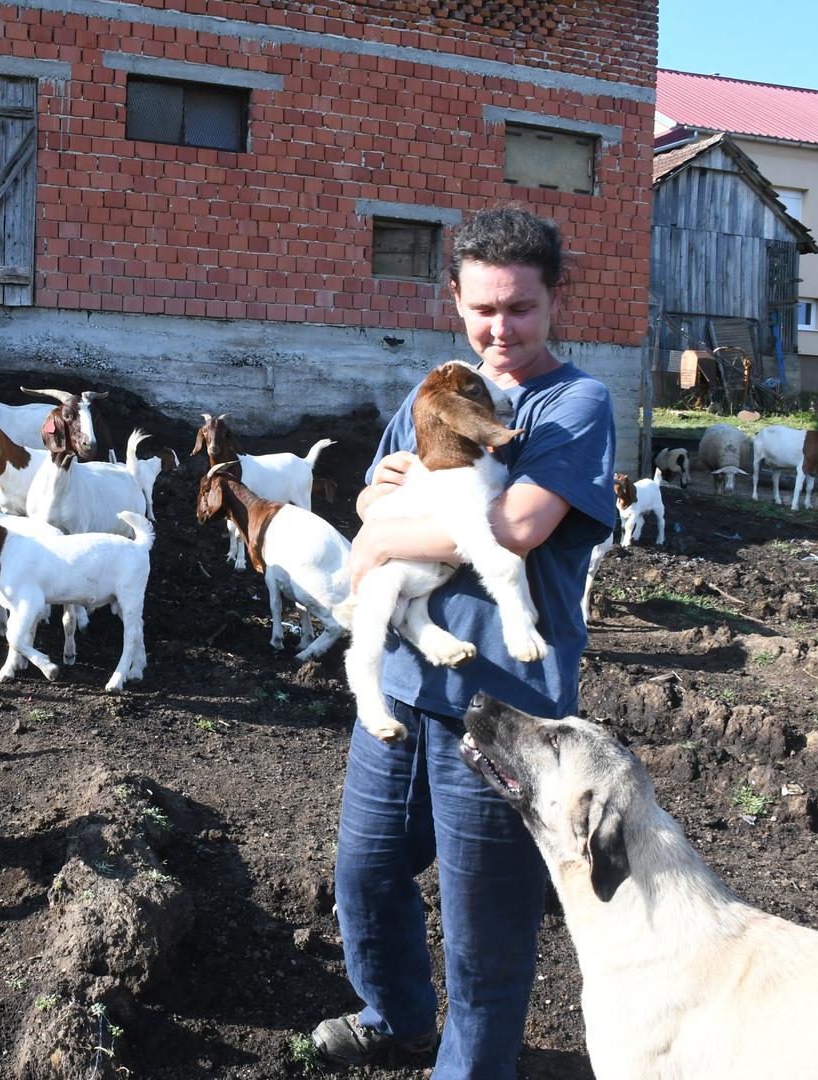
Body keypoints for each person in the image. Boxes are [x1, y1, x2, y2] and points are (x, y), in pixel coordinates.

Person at [312, 207, 617, 1077]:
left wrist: (380, 538)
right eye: (483, 307)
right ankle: (396, 1015)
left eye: (519, 307)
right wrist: (379, 520)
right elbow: (372, 496)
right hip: (407, 683)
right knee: (366, 873)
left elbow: (517, 525)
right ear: (453, 299)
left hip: (504, 706)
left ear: (554, 299)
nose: (500, 329)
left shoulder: (574, 404)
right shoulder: (434, 390)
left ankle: (470, 1069)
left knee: (485, 922)